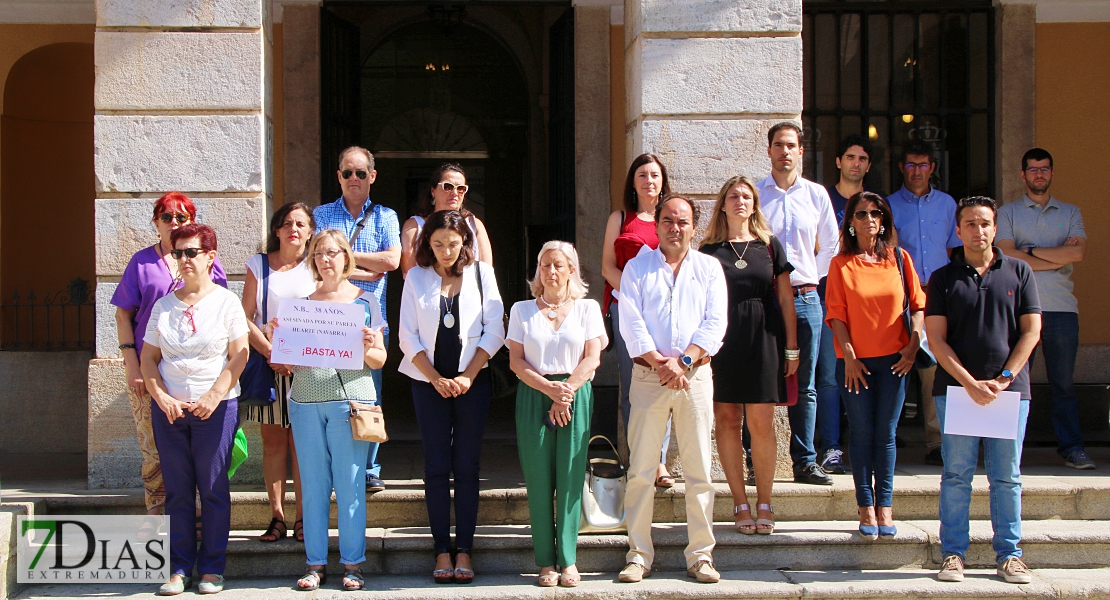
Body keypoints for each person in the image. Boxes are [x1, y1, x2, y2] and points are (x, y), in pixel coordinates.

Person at [927, 196, 1041, 584]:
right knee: (956, 474)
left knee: (1006, 475)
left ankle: (1009, 555)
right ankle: (953, 554)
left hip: (1008, 392)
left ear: (995, 229)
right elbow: (936, 339)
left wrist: (1004, 378)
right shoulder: (943, 278)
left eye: (985, 224)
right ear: (958, 231)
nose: (979, 231)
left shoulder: (1020, 272)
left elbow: (1031, 331)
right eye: (971, 224)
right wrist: (969, 382)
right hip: (957, 391)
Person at [617, 195, 728, 585]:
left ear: (693, 227)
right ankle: (638, 554)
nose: (674, 228)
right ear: (657, 224)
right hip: (648, 378)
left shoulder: (710, 269)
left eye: (682, 221)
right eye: (667, 220)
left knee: (699, 471)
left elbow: (715, 322)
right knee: (642, 470)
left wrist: (683, 362)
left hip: (694, 378)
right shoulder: (636, 268)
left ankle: (700, 555)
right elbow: (630, 323)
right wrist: (662, 364)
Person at [274, 230, 386, 592]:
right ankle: (315, 564)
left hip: (350, 402)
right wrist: (280, 338)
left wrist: (369, 345)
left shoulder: (366, 302)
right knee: (313, 486)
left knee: (351, 485)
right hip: (305, 401)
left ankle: (352, 564)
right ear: (313, 260)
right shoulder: (301, 306)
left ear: (347, 258)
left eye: (333, 253)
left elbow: (379, 360)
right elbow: (286, 362)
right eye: (319, 253)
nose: (326, 259)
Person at [140, 224, 248, 596]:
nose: (183, 259)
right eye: (177, 253)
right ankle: (179, 568)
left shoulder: (226, 302)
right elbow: (148, 359)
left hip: (214, 409)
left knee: (214, 489)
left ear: (210, 257)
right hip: (169, 411)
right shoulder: (163, 305)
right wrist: (161, 397)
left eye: (191, 252)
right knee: (178, 491)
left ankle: (213, 569)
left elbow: (239, 356)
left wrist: (214, 395)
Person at [398, 210, 505, 584]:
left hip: (471, 383)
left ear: (465, 244)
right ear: (428, 242)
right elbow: (406, 336)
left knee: (467, 466)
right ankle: (441, 549)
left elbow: (496, 329)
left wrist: (466, 376)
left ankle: (465, 550)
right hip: (427, 384)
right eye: (438, 243)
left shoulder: (482, 275)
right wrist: (436, 379)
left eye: (453, 244)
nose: (446, 251)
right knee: (436, 466)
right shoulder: (416, 277)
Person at [112, 192, 228, 528]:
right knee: (153, 445)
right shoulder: (142, 262)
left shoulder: (206, 260)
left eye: (182, 217)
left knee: (197, 446)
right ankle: (156, 511)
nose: (174, 223)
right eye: (167, 217)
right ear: (156, 222)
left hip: (195, 370)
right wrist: (132, 366)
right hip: (150, 366)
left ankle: (193, 510)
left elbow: (219, 309)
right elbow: (123, 315)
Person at [699, 176, 798, 535]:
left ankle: (765, 502)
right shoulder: (708, 251)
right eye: (733, 196)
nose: (740, 201)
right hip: (722, 341)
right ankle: (740, 503)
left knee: (761, 424)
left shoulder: (769, 246)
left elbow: (787, 299)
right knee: (726, 420)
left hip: (764, 339)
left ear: (754, 204)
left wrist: (792, 347)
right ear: (722, 204)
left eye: (746, 196)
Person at [825, 192, 925, 540]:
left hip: (896, 361)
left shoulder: (899, 258)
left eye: (876, 213)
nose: (869, 219)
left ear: (884, 221)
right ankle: (865, 506)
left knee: (886, 434)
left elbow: (918, 305)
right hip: (855, 362)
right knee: (862, 433)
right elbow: (835, 314)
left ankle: (886, 506)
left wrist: (913, 346)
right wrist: (849, 355)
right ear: (850, 222)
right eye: (861, 213)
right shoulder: (840, 264)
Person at [507, 241, 606, 588]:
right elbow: (515, 361)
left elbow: (592, 357)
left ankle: (568, 560)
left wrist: (565, 392)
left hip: (575, 394)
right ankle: (545, 562)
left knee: (569, 477)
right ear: (538, 270)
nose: (551, 272)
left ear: (571, 271)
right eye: (546, 265)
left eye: (559, 266)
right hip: (534, 394)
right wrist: (549, 390)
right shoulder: (521, 310)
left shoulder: (588, 309)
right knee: (537, 479)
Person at [996, 148, 1093, 470]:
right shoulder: (1008, 213)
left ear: (1052, 173)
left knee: (1063, 384)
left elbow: (1077, 255)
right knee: (1014, 382)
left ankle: (1072, 448)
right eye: (1033, 170)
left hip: (1062, 309)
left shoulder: (1070, 212)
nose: (1039, 174)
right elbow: (1008, 256)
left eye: (1045, 169)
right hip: (1020, 310)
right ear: (1022, 175)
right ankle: (1010, 450)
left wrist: (1032, 250)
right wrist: (1055, 257)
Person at [313, 146, 400, 492]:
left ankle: (368, 469)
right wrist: (364, 270)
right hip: (326, 321)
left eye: (360, 173)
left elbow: (392, 260)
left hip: (369, 324)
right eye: (347, 172)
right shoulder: (321, 214)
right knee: (329, 395)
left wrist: (344, 259)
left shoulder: (386, 217)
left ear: (372, 177)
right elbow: (316, 261)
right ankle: (334, 468)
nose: (353, 179)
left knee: (368, 395)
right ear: (338, 176)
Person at [757, 122, 839, 486]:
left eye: (791, 145)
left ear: (801, 151)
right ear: (769, 150)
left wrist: (807, 278)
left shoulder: (816, 195)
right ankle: (750, 456)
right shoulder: (756, 194)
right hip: (765, 299)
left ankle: (804, 460)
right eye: (778, 145)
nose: (785, 152)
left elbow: (831, 246)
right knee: (759, 379)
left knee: (805, 383)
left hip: (806, 298)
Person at [241, 203, 318, 543]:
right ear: (276, 229)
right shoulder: (258, 265)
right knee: (272, 443)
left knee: (302, 444)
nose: (294, 229)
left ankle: (304, 518)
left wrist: (298, 356)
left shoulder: (318, 266)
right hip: (268, 366)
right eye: (287, 223)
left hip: (308, 369)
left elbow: (327, 315)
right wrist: (272, 352)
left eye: (301, 224)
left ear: (311, 230)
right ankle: (277, 517)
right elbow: (243, 318)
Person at [600, 153, 675, 487]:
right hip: (627, 308)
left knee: (664, 381)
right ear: (633, 181)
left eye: (654, 175)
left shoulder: (670, 218)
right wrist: (635, 296)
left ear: (663, 181)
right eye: (642, 175)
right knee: (632, 387)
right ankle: (639, 459)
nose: (649, 181)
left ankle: (658, 462)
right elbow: (607, 267)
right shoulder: (620, 218)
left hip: (663, 310)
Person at [887, 139, 961, 467]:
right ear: (902, 168)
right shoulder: (887, 205)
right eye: (911, 165)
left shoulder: (947, 205)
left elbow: (952, 250)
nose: (917, 171)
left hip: (937, 295)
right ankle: (889, 433)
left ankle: (937, 442)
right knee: (894, 366)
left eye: (923, 165)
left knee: (934, 368)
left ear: (932, 168)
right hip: (900, 297)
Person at [816, 135, 874, 475]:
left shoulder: (874, 202)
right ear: (838, 161)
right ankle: (832, 447)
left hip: (868, 299)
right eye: (850, 156)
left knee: (867, 371)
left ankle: (867, 445)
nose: (856, 163)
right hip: (829, 292)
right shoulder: (825, 199)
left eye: (862, 158)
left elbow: (888, 244)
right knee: (830, 373)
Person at [400, 163, 493, 276]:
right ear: (433, 190)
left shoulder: (474, 225)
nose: (454, 193)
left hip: (468, 292)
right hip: (427, 291)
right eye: (448, 187)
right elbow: (409, 272)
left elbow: (486, 271)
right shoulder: (414, 226)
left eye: (461, 188)